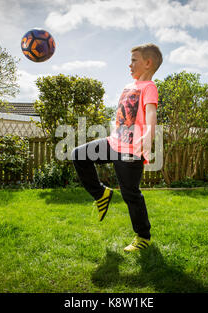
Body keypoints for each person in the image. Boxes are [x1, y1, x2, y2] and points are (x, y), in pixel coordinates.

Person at [72, 43, 162, 252]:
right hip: (114, 143)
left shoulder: (149, 87)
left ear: (148, 63)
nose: (129, 64)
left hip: (131, 149)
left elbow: (150, 113)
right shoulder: (129, 86)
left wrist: (149, 134)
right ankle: (101, 194)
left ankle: (143, 236)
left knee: (130, 193)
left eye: (134, 60)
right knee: (79, 155)